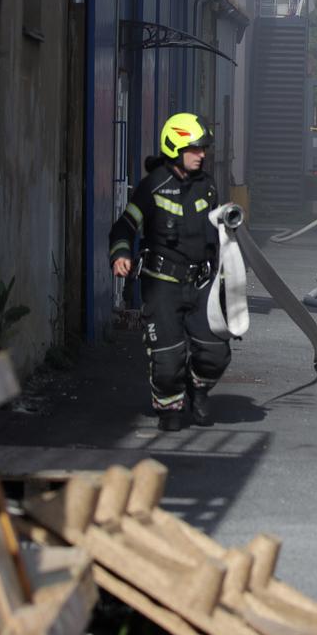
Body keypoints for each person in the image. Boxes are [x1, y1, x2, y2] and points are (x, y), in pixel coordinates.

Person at [109, 112, 228, 431]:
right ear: (175, 147)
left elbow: (218, 234)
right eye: (195, 149)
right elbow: (124, 226)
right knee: (167, 359)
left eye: (204, 149)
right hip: (162, 285)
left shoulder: (207, 188)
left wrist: (226, 276)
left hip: (200, 282)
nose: (202, 155)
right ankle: (170, 404)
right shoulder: (152, 187)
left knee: (216, 352)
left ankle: (198, 391)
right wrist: (121, 253)